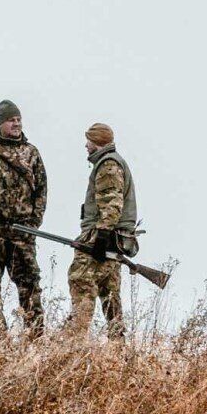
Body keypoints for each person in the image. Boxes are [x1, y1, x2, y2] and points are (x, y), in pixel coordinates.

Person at [0, 99, 47, 335]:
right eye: (11, 120)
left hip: (22, 231)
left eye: (18, 119)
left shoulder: (31, 153)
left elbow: (41, 190)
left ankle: (35, 335)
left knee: (29, 284)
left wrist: (34, 221)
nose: (16, 123)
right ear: (1, 123)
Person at [67, 121, 137, 338]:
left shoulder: (107, 165)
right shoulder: (113, 162)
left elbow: (112, 204)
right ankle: (117, 349)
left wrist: (100, 238)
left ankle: (74, 343)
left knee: (80, 280)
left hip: (102, 235)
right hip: (114, 238)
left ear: (96, 142)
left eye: (88, 141)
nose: (86, 146)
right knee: (109, 292)